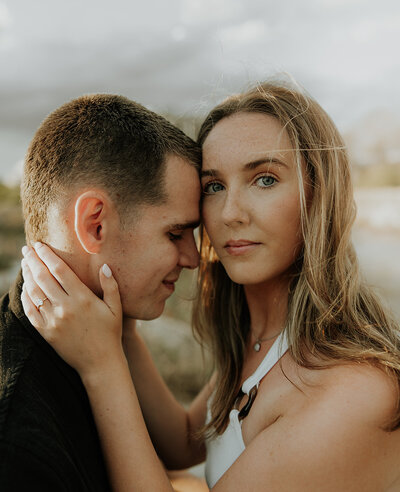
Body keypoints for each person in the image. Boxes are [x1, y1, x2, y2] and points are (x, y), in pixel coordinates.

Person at [21, 81, 400, 491]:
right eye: (213, 186)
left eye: (265, 179)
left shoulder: (352, 389)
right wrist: (123, 327)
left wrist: (101, 367)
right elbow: (186, 442)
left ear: (319, 195)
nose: (230, 213)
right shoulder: (263, 341)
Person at [0, 94, 202, 490]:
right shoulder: (17, 444)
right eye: (175, 233)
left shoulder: (97, 347)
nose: (193, 259)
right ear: (95, 224)